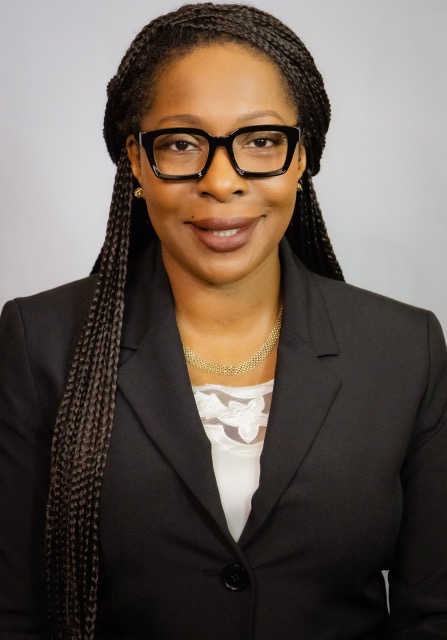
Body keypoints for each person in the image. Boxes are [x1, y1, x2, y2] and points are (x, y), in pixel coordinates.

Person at [0, 3, 446, 639]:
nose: (221, 181)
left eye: (260, 141)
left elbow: (434, 615)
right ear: (136, 162)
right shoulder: (37, 341)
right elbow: (14, 612)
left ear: (301, 157)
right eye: (182, 144)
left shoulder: (406, 349)